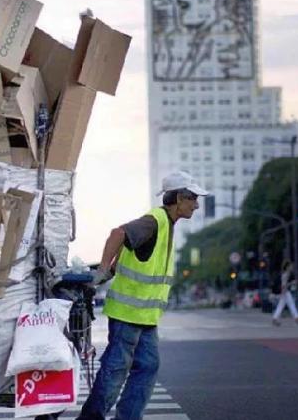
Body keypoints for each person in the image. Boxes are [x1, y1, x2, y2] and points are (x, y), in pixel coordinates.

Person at [78, 171, 208, 420]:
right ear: (179, 198)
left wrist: (113, 267)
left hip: (145, 317)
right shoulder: (155, 220)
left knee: (147, 366)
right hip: (128, 315)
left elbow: (135, 254)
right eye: (192, 198)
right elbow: (118, 234)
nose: (196, 204)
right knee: (116, 369)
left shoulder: (165, 225)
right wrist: (104, 269)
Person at [272, 260, 298, 326]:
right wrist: (291, 283)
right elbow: (284, 285)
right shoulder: (285, 274)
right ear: (287, 267)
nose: (292, 267)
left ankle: (275, 319)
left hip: (285, 291)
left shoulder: (287, 274)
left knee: (282, 306)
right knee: (290, 304)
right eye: (290, 266)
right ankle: (297, 318)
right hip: (285, 291)